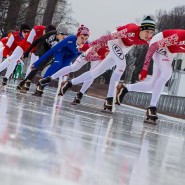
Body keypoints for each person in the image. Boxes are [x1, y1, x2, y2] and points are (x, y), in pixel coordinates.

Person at [56, 16, 156, 111]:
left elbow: (151, 52)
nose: (149, 35)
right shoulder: (131, 29)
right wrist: (90, 45)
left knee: (96, 72)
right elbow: (107, 37)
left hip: (125, 48)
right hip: (115, 40)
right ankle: (110, 98)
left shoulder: (150, 39)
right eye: (147, 31)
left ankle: (69, 83)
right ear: (141, 29)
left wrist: (144, 69)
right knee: (122, 65)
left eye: (151, 32)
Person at [116, 29, 185, 121]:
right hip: (158, 43)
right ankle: (152, 108)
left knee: (152, 85)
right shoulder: (179, 36)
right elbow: (153, 46)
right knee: (167, 73)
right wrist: (144, 69)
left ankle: (125, 88)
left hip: (170, 52)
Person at [36, 43, 109, 104]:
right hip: (91, 51)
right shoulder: (103, 44)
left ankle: (80, 94)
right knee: (74, 67)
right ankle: (50, 78)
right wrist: (83, 47)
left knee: (92, 74)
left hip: (99, 58)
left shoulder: (110, 56)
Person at [31, 25, 90, 96]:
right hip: (61, 50)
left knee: (62, 68)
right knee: (57, 64)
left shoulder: (86, 46)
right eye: (82, 38)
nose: (83, 41)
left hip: (71, 55)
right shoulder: (70, 39)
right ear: (77, 36)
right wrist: (36, 63)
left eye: (86, 39)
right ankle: (40, 86)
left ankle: (43, 85)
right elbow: (52, 50)